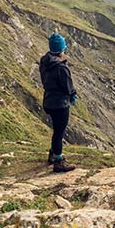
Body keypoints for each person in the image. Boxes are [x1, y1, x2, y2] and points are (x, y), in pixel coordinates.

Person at [39, 33, 78, 172]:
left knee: (56, 130)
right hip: (60, 104)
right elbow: (68, 87)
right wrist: (73, 96)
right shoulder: (61, 68)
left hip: (48, 100)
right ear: (60, 50)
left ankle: (52, 154)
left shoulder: (45, 62)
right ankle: (58, 161)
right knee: (59, 132)